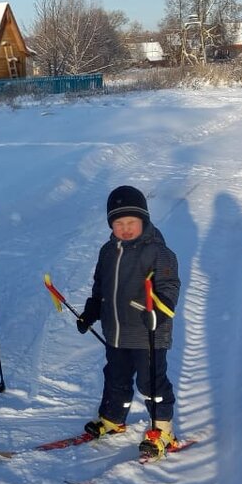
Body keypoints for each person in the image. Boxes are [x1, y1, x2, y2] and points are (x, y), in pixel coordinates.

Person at [76, 185, 182, 460]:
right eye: (118, 223)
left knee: (151, 383)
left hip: (149, 332)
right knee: (115, 377)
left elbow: (169, 287)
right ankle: (112, 418)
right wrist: (90, 313)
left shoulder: (158, 252)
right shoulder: (107, 252)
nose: (125, 228)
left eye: (131, 223)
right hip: (116, 332)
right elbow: (100, 287)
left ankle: (162, 430)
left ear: (143, 220)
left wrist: (158, 310)